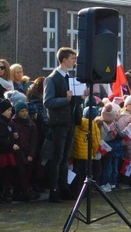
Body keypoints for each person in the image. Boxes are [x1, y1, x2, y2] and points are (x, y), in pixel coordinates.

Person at [43, 47, 82, 203]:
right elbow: (48, 101)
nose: (74, 61)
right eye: (72, 58)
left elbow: (74, 101)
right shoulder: (52, 79)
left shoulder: (70, 78)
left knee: (66, 157)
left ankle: (64, 188)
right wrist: (65, 99)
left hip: (70, 122)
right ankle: (54, 190)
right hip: (59, 123)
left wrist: (80, 96)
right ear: (64, 59)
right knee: (57, 158)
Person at [0, 99, 19, 204]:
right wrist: (11, 144)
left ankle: (1, 194)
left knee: (4, 174)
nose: (10, 112)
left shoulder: (6, 122)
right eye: (8, 110)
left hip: (6, 152)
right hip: (1, 153)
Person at [11, 100, 38, 201]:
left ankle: (25, 190)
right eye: (22, 111)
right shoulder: (13, 123)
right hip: (17, 152)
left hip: (27, 152)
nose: (24, 113)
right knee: (19, 173)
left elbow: (34, 141)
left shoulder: (31, 124)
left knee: (27, 172)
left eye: (26, 111)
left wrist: (31, 154)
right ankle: (18, 192)